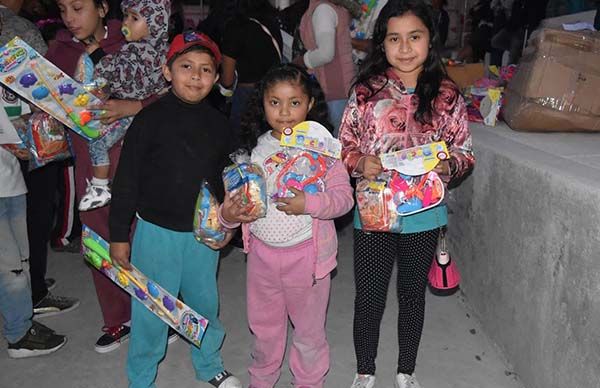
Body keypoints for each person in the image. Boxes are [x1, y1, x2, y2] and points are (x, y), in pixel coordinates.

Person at [338, 1, 475, 387]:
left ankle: (406, 371)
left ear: (430, 40)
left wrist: (452, 165)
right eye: (394, 38)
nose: (404, 47)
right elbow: (344, 144)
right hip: (375, 211)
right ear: (382, 44)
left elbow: (465, 150)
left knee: (412, 296)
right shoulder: (366, 92)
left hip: (424, 213)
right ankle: (365, 371)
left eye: (414, 37)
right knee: (369, 298)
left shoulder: (447, 95)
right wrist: (359, 161)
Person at [108, 31, 242, 388]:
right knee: (152, 309)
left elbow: (229, 182)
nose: (196, 76)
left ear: (215, 79)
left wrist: (229, 225)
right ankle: (141, 376)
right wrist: (119, 236)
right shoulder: (148, 120)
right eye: (186, 66)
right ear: (167, 71)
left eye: (205, 69)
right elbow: (126, 182)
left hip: (202, 234)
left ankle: (208, 362)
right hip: (155, 233)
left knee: (204, 303)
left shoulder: (219, 124)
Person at [220, 63, 354, 388]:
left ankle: (308, 381)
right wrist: (230, 215)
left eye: (294, 102)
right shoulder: (254, 152)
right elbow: (234, 207)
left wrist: (308, 204)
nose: (284, 112)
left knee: (308, 331)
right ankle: (262, 379)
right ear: (262, 103)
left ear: (309, 104)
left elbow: (344, 199)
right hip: (262, 259)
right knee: (264, 327)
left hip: (306, 259)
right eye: (274, 102)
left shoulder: (323, 150)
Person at [47, 0, 140, 353]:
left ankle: (155, 311)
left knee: (141, 233)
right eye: (63, 9)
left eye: (78, 7)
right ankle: (118, 317)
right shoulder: (57, 52)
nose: (70, 18)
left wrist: (131, 105)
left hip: (134, 156)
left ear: (102, 8)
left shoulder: (131, 41)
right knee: (98, 234)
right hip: (89, 162)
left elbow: (159, 92)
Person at [0, 0, 80, 318]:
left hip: (10, 141)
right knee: (33, 215)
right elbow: (42, 92)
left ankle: (25, 285)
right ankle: (32, 291)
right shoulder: (20, 28)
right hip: (27, 140)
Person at [77, 0, 170, 211]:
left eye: (134, 18)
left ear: (155, 24)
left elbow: (113, 72)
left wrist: (96, 53)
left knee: (97, 143)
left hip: (129, 116)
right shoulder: (164, 51)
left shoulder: (135, 50)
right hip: (149, 118)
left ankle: (100, 187)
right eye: (126, 16)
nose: (126, 22)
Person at [0, 124, 67, 358]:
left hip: (11, 178)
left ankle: (23, 322)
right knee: (10, 269)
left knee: (21, 261)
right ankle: (18, 335)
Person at [220, 0, 283, 136]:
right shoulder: (271, 23)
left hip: (246, 96)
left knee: (241, 148)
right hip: (274, 93)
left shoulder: (235, 27)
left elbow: (227, 80)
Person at [297, 0, 356, 134]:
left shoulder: (323, 10)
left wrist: (302, 61)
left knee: (335, 140)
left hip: (334, 87)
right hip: (342, 85)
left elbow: (325, 53)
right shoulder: (330, 6)